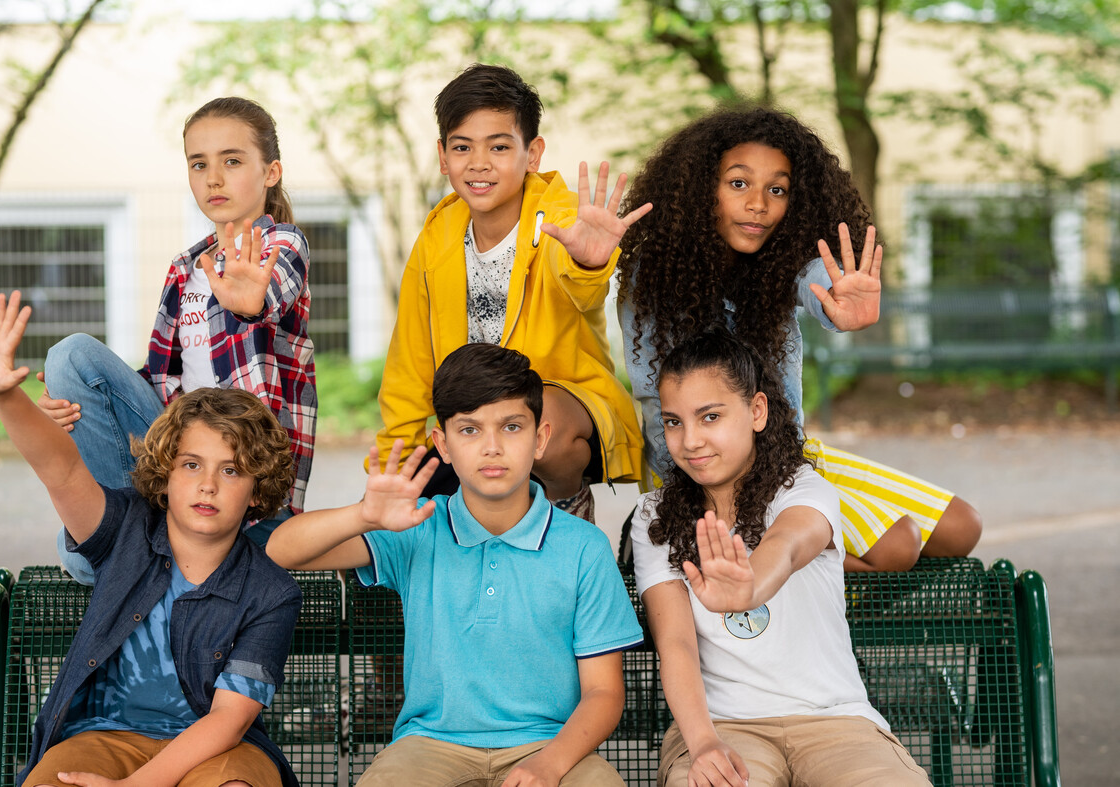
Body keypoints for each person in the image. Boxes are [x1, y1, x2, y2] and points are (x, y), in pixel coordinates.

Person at [618, 106, 981, 571]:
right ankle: (694, 557)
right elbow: (658, 407)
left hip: (787, 458)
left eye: (777, 190)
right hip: (701, 472)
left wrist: (840, 303)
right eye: (738, 183)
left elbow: (817, 283)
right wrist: (692, 502)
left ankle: (796, 581)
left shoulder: (778, 261)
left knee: (962, 527)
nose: (758, 204)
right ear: (698, 190)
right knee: (895, 547)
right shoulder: (657, 272)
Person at [270, 343, 644, 786]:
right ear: (442, 446)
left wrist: (549, 764)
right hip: (429, 747)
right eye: (469, 430)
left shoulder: (584, 547)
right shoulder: (418, 527)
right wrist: (363, 516)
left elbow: (603, 692)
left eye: (511, 426)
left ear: (540, 438)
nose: (491, 447)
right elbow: (282, 551)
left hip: (552, 746)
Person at [0, 291, 302, 787]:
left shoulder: (271, 591)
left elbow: (227, 720)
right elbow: (60, 467)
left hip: (213, 745)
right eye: (191, 465)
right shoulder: (123, 530)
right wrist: (5, 396)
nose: (207, 485)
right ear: (165, 473)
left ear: (258, 492)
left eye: (231, 470)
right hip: (106, 733)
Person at [631, 329, 933, 786]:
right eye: (673, 422)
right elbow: (676, 643)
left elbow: (788, 545)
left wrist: (751, 584)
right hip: (722, 726)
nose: (690, 440)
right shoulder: (654, 516)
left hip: (836, 723)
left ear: (756, 411)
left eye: (709, 417)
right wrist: (704, 742)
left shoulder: (803, 488)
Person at [38, 96, 315, 583]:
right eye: (199, 164)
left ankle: (133, 544)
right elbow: (161, 378)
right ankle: (119, 529)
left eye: (232, 161)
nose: (213, 178)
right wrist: (74, 397)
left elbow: (270, 294)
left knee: (82, 560)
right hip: (181, 443)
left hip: (244, 468)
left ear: (271, 172)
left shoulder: (282, 245)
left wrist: (248, 301)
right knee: (72, 358)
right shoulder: (188, 267)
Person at [374, 62, 652, 523]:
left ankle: (566, 502)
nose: (479, 164)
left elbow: (582, 289)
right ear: (443, 156)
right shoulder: (436, 237)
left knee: (535, 418)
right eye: (462, 147)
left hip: (562, 405)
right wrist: (394, 459)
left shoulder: (561, 216)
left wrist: (588, 261)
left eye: (499, 147)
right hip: (475, 406)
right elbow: (410, 358)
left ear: (533, 153)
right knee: (419, 512)